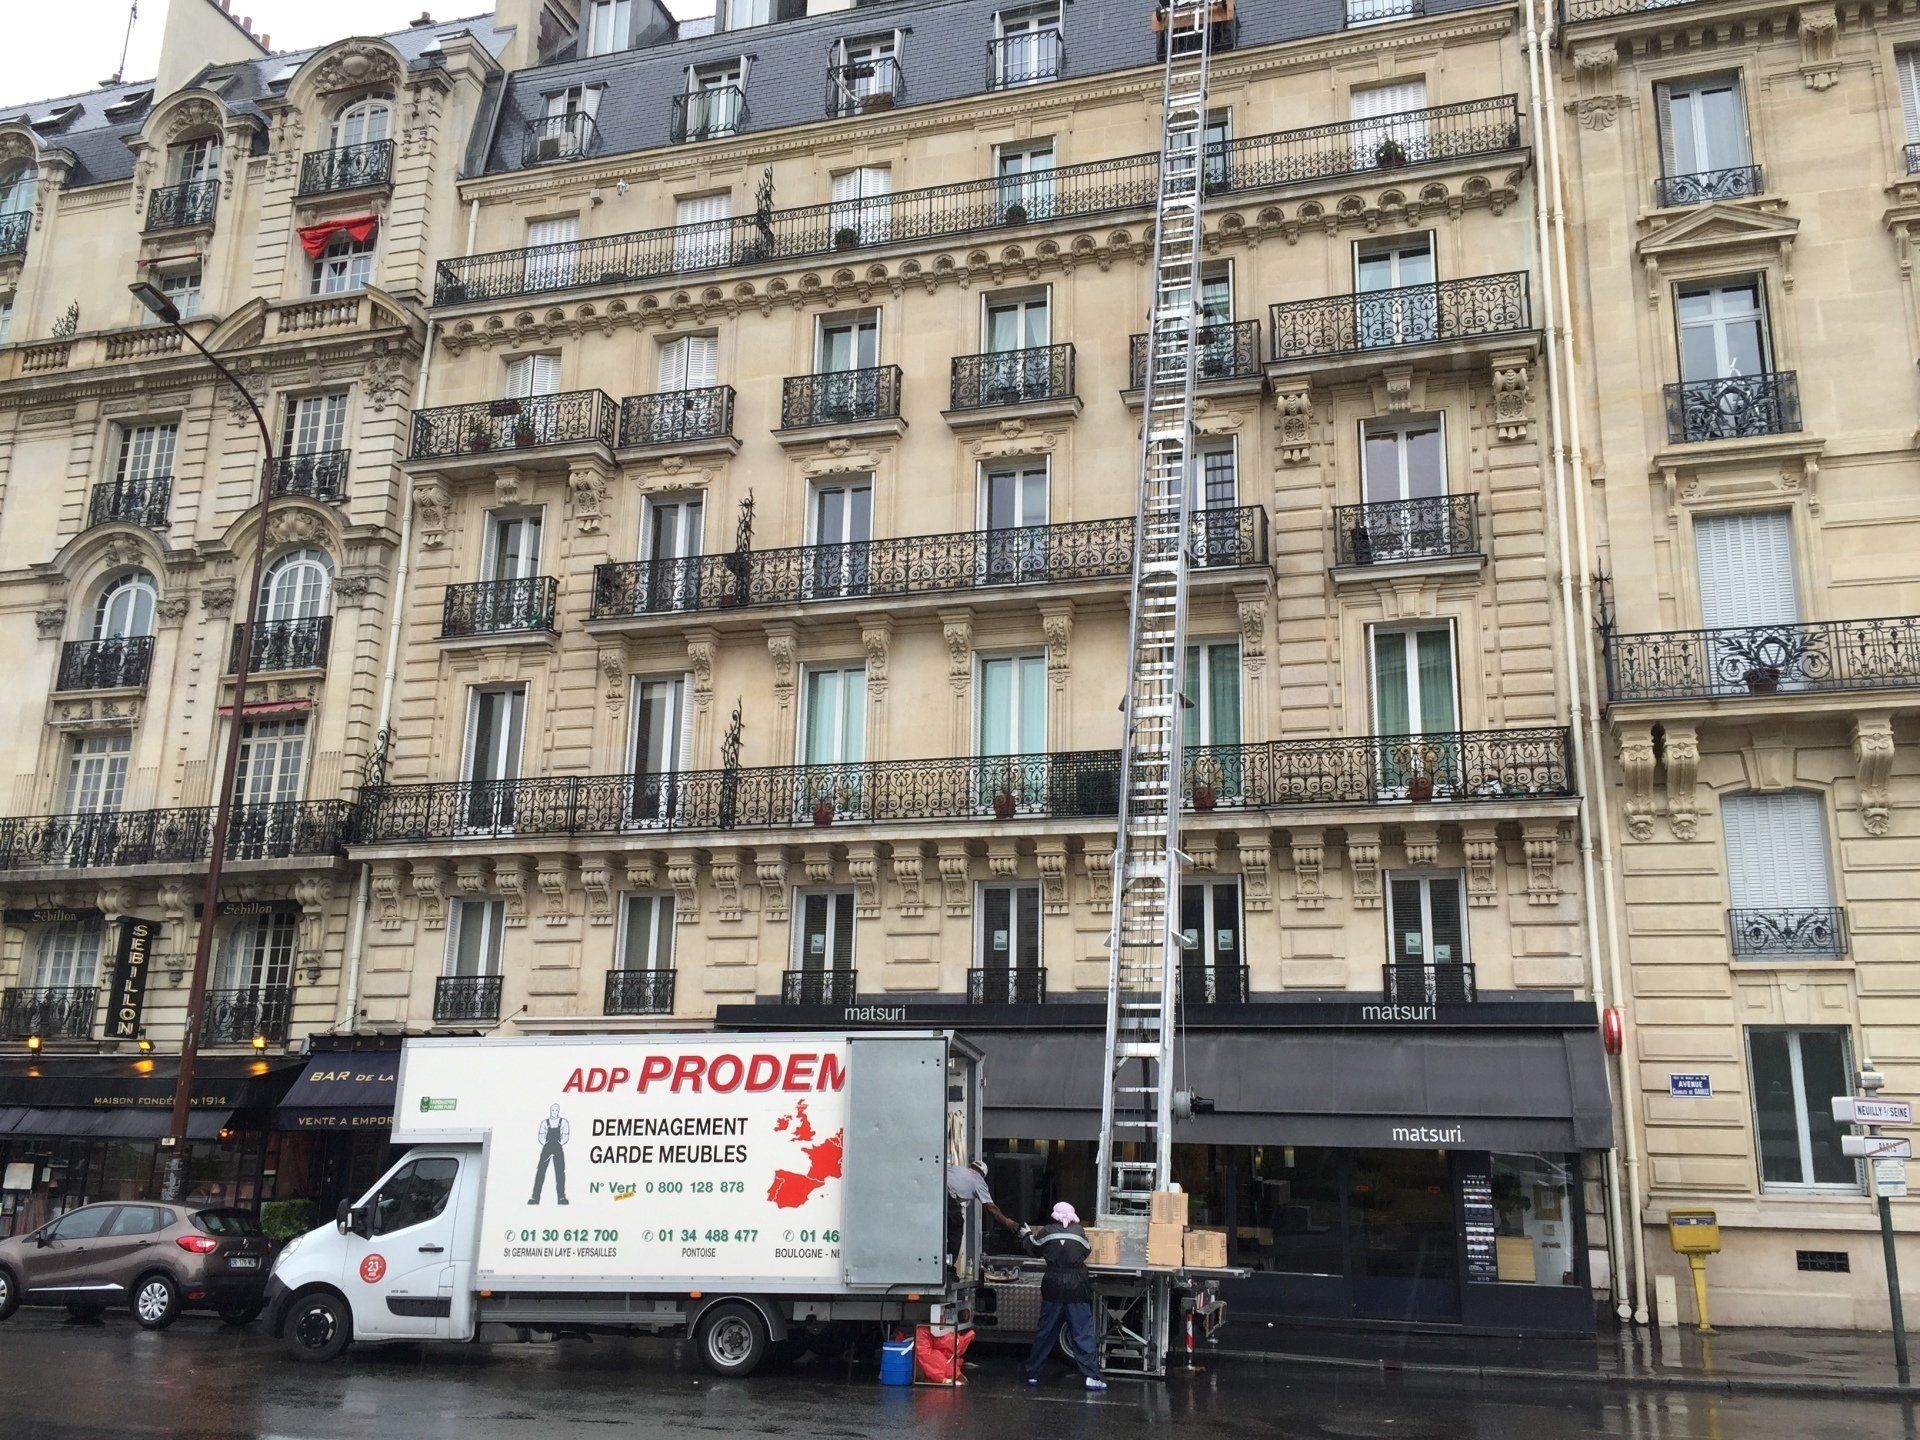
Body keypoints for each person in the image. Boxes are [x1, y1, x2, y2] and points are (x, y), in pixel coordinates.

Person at [1020, 1201, 1106, 1391]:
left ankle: (1033, 1374)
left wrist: (1025, 1234)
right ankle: (1091, 1377)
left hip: (1053, 1287)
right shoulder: (1079, 1232)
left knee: (1045, 1333)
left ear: (1055, 1215)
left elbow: (1033, 1247)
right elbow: (1086, 1251)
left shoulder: (1047, 1231)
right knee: (1082, 1334)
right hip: (1077, 1288)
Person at [946, 1160, 1018, 1270]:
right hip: (947, 1196)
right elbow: (990, 1207)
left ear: (971, 1166)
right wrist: (1007, 1221)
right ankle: (948, 1266)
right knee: (957, 1227)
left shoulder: (957, 1168)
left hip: (936, 1190)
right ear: (983, 1175)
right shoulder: (979, 1181)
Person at [531, 1102, 570, 1205]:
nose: (554, 1112)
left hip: (558, 1147)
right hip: (547, 1148)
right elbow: (541, 1135)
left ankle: (561, 1198)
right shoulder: (545, 1122)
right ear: (550, 1111)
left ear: (558, 1111)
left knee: (560, 1172)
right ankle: (535, 1198)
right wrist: (545, 1143)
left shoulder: (563, 1122)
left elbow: (566, 1135)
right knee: (540, 1171)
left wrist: (560, 1143)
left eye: (556, 1110)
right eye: (553, 1110)